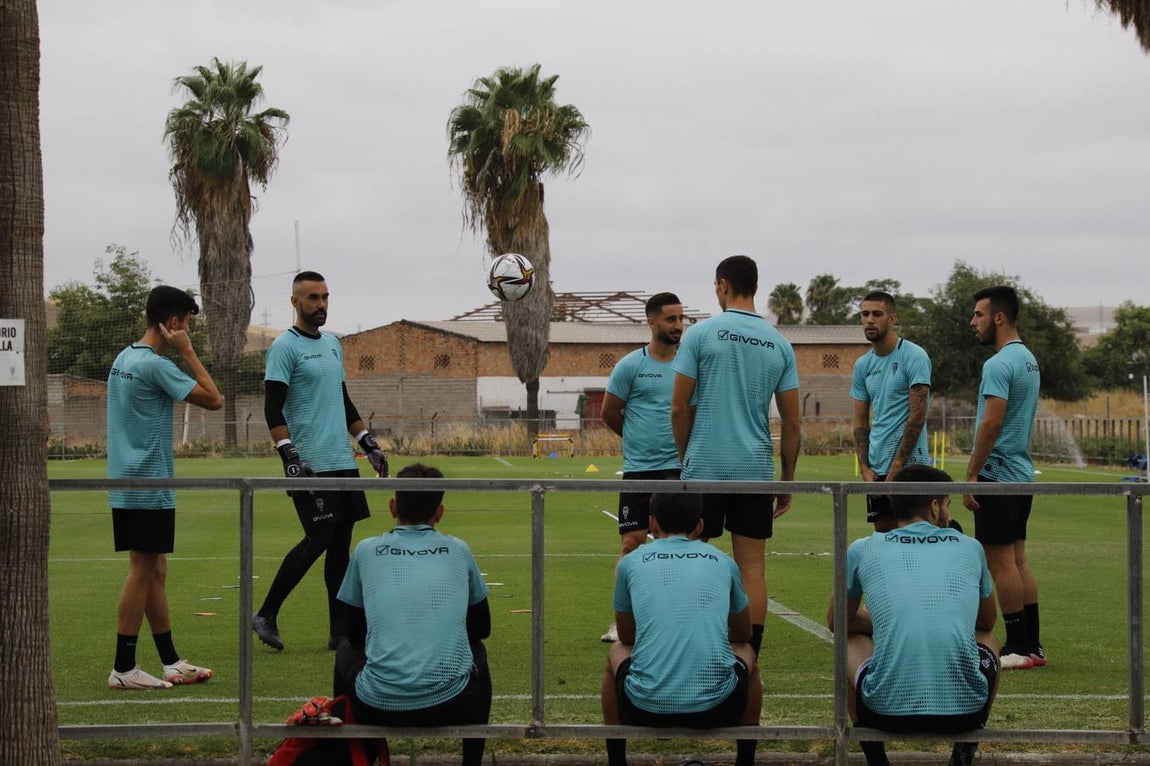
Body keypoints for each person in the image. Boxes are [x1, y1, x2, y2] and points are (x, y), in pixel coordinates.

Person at [671, 254, 801, 657]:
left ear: (723, 285)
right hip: (755, 471)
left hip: (705, 468)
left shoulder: (700, 334)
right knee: (753, 568)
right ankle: (751, 654)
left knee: (696, 558)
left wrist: (684, 459)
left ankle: (699, 645)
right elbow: (794, 423)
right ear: (756, 287)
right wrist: (788, 479)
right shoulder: (779, 343)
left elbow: (678, 408)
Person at [828, 464, 1000, 766]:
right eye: (946, 503)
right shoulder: (971, 548)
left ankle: (876, 758)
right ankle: (967, 744)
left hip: (884, 712)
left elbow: (837, 622)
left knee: (847, 638)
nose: (947, 511)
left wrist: (879, 620)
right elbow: (986, 622)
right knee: (988, 638)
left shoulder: (863, 548)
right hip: (964, 712)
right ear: (934, 506)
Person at [254, 271, 389, 652]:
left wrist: (368, 442)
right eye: (313, 298)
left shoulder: (333, 345)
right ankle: (266, 613)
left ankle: (339, 631)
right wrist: (289, 456)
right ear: (295, 302)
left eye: (326, 297)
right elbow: (271, 408)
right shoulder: (284, 347)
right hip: (310, 462)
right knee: (321, 536)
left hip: (341, 460)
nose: (321, 305)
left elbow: (342, 400)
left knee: (340, 546)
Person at [335, 463, 492, 766]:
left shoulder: (366, 550)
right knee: (478, 652)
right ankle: (471, 761)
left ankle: (357, 757)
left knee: (344, 649)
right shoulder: (458, 549)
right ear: (440, 512)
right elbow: (481, 627)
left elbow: (351, 632)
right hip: (452, 705)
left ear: (392, 506)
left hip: (375, 705)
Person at [107, 286, 223, 690]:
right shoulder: (154, 364)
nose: (186, 330)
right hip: (148, 482)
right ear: (173, 323)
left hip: (127, 481)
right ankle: (123, 668)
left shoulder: (124, 357)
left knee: (155, 569)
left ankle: (171, 661)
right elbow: (214, 399)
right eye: (186, 323)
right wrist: (189, 353)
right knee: (143, 569)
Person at [601, 492, 761, 766]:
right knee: (747, 652)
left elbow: (627, 636)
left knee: (616, 652)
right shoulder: (722, 561)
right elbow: (744, 632)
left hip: (644, 707)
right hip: (718, 707)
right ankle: (745, 759)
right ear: (699, 526)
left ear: (651, 523)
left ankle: (617, 759)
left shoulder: (630, 562)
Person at [963, 285, 1043, 670]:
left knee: (1001, 563)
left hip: (998, 475)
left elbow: (992, 422)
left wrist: (972, 473)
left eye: (978, 315)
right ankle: (1033, 645)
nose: (972, 322)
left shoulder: (997, 364)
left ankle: (1015, 647)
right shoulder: (1027, 359)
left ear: (999, 317)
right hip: (1022, 474)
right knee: (1018, 559)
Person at [599, 292, 685, 643]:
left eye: (681, 319)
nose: (678, 326)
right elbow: (609, 412)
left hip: (680, 470)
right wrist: (635, 441)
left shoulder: (689, 365)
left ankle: (679, 618)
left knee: (683, 545)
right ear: (651, 322)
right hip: (639, 470)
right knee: (631, 545)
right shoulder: (630, 366)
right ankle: (624, 621)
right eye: (670, 319)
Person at [850, 291, 932, 532]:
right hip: (877, 469)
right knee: (884, 540)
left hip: (910, 468)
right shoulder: (862, 365)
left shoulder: (914, 356)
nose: (869, 320)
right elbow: (860, 423)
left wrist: (898, 465)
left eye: (877, 314)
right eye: (865, 314)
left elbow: (917, 417)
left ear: (892, 319)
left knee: (915, 538)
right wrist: (865, 467)